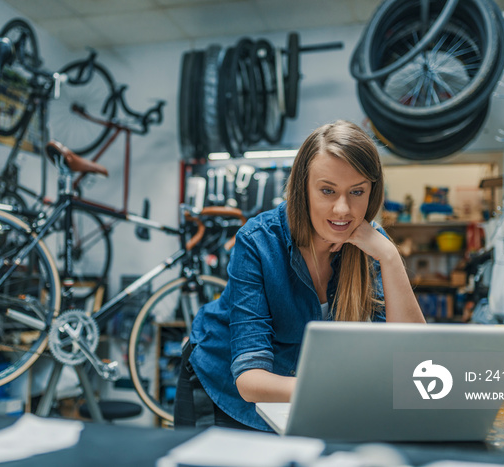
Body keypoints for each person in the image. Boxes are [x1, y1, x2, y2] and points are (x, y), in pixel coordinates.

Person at [174, 120, 425, 431]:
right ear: (302, 188)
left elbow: (413, 359)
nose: (342, 209)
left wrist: (389, 257)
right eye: (327, 190)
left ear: (371, 191)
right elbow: (250, 380)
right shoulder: (258, 241)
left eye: (357, 191)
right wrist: (336, 392)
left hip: (306, 397)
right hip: (222, 390)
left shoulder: (371, 246)